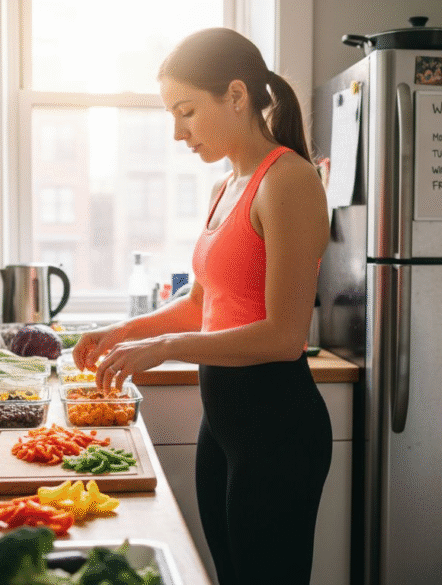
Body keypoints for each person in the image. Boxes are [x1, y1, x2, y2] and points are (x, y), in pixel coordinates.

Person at [72, 27, 332, 585]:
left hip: (278, 428)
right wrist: (119, 332)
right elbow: (202, 304)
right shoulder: (227, 186)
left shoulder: (288, 180)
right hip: (225, 424)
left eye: (186, 111)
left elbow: (284, 336)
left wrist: (164, 348)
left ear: (236, 96)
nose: (177, 133)